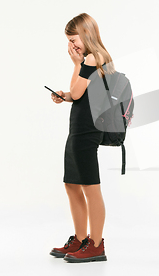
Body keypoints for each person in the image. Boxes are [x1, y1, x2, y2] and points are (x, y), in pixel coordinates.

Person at [49, 13, 113, 263]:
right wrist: (62, 95)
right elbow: (75, 94)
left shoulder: (94, 57)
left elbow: (77, 92)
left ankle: (96, 244)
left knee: (90, 186)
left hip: (88, 129)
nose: (71, 46)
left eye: (74, 39)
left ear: (87, 35)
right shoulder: (87, 58)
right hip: (78, 127)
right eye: (68, 41)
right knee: (72, 183)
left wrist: (75, 66)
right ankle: (80, 238)